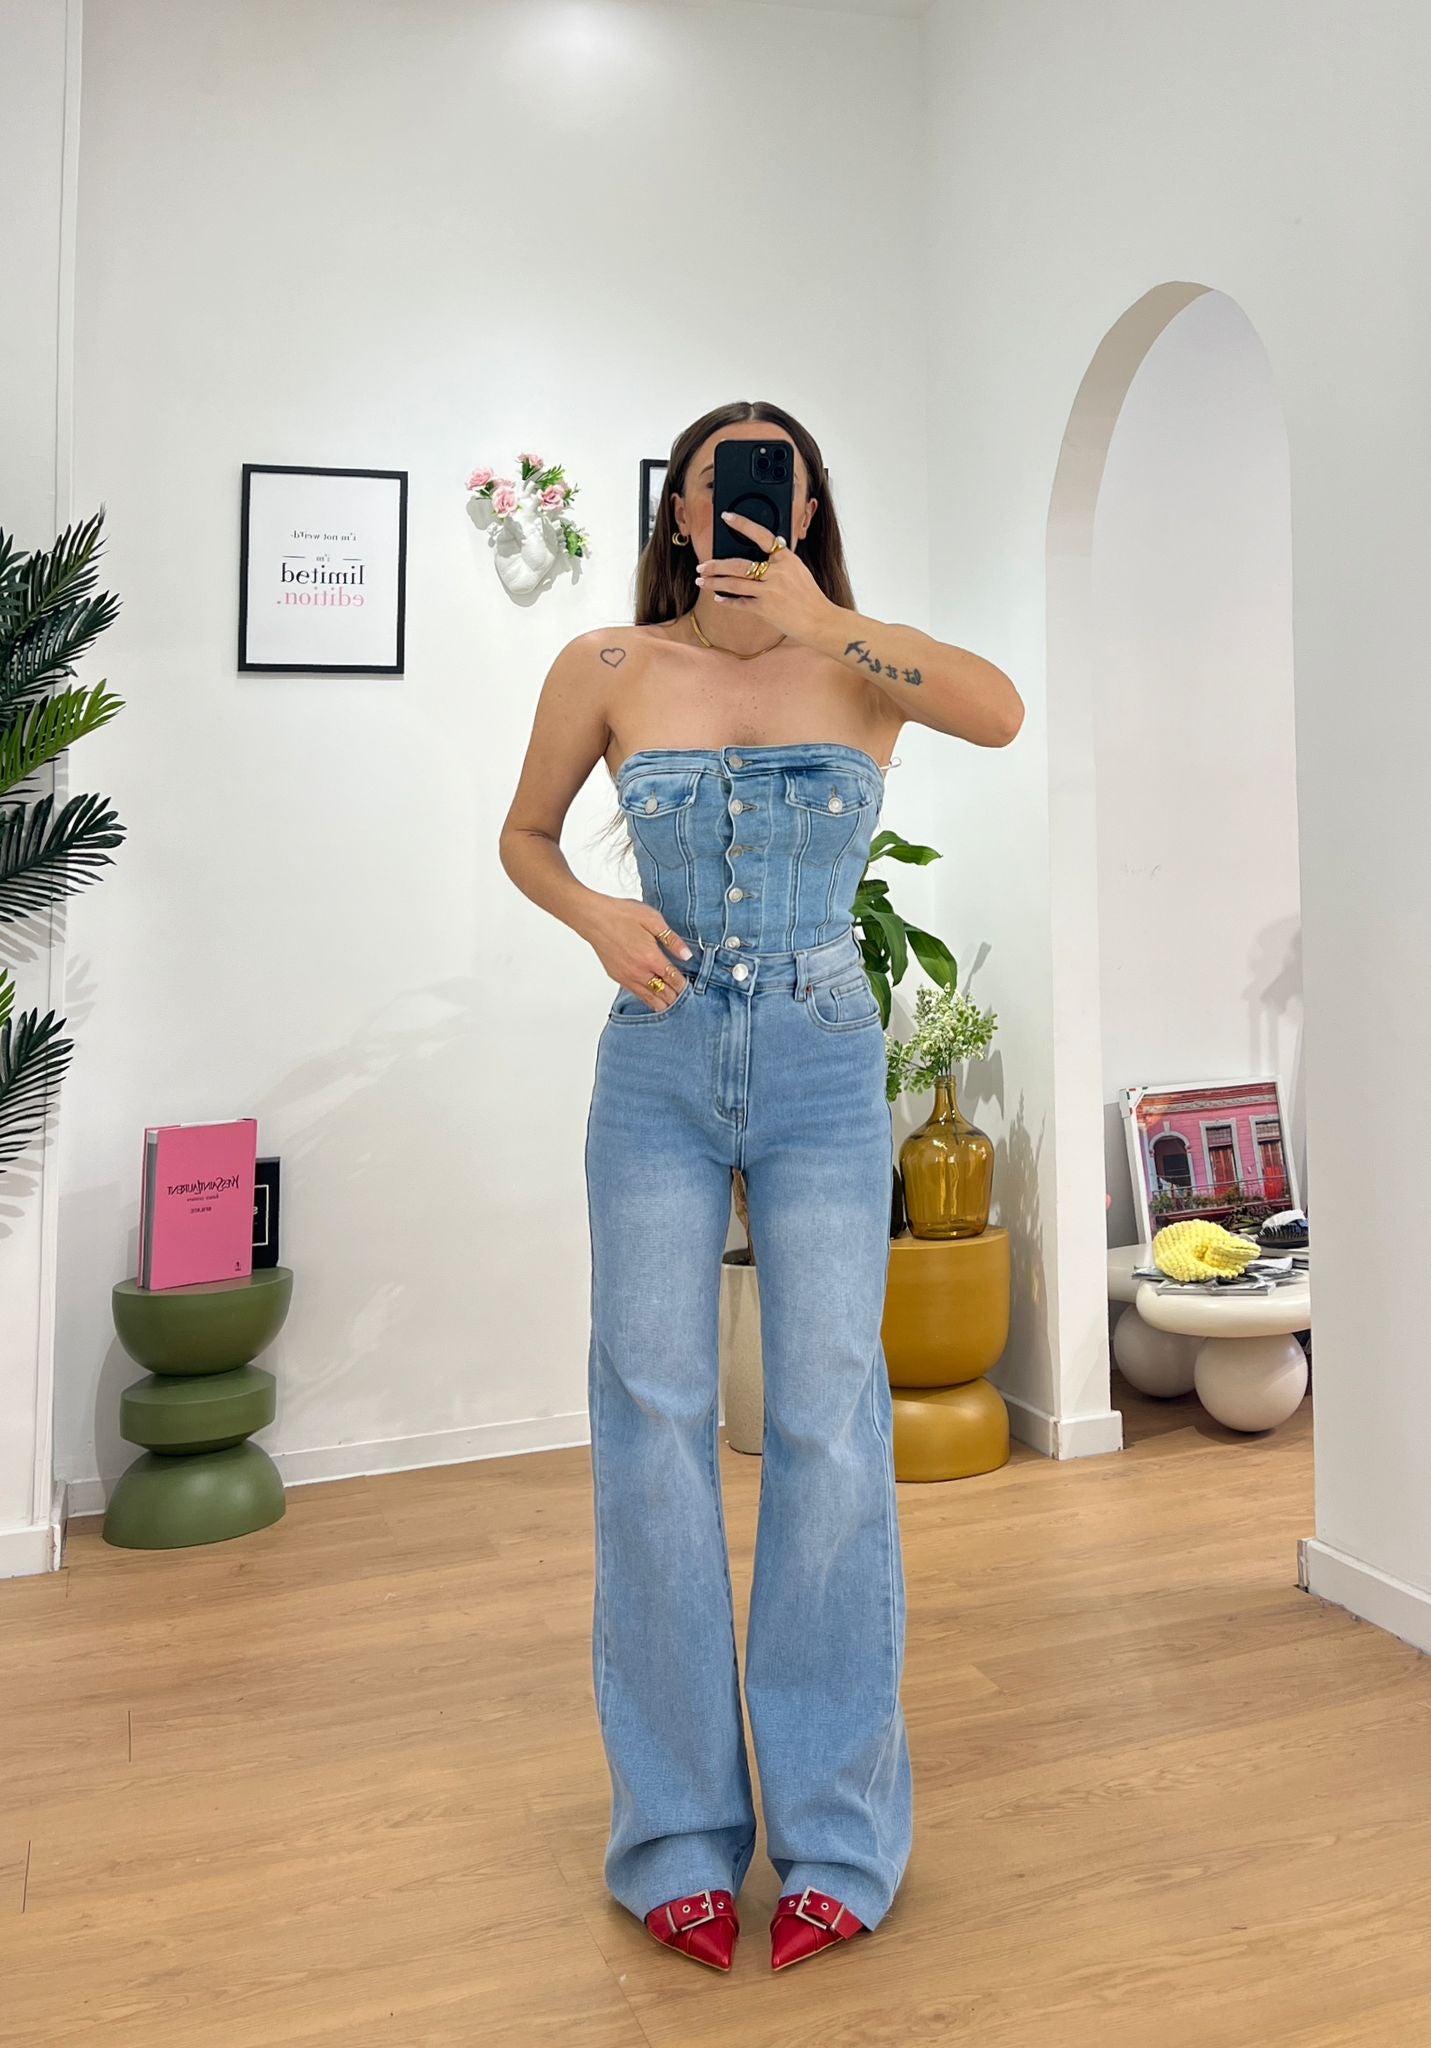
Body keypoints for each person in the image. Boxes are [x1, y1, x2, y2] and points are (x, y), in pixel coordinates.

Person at [498, 400, 1024, 1975]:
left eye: (774, 479)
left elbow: (1000, 714)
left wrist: (825, 620)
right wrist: (598, 916)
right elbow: (525, 837)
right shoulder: (606, 664)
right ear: (677, 508)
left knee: (828, 1428)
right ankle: (673, 1833)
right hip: (657, 1065)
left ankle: (839, 1837)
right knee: (650, 1425)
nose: (742, 501)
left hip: (818, 1058)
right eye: (717, 479)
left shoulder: (862, 662)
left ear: (804, 506)